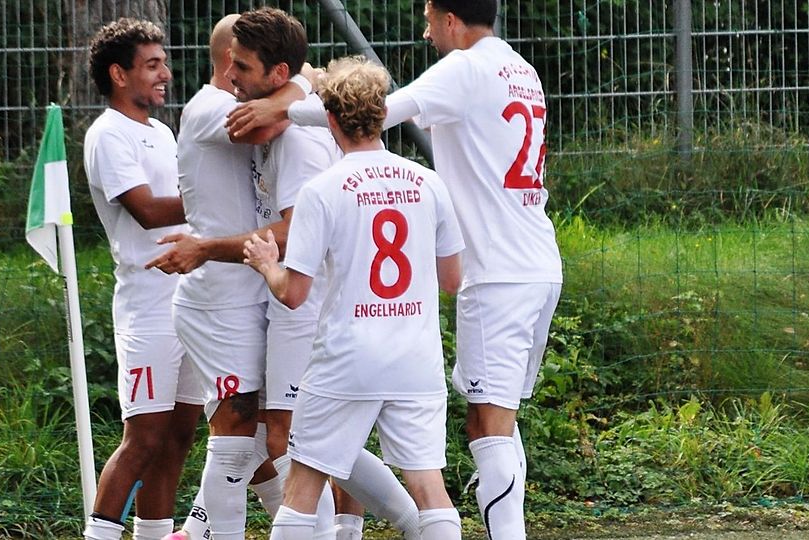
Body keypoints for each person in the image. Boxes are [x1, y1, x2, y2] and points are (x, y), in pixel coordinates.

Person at [227, 2, 564, 538]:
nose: (426, 31)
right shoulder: (519, 71)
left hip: (492, 273)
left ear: (451, 18)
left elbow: (383, 108)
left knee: (486, 430)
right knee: (487, 436)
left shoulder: (463, 68)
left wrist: (286, 108)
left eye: (429, 18)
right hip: (535, 264)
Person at [148, 8, 425, 540]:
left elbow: (294, 232)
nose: (233, 79)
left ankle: (406, 521)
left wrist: (206, 248)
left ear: (275, 75)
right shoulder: (286, 119)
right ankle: (395, 522)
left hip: (303, 302)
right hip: (310, 302)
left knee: (291, 439)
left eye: (244, 67)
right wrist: (299, 88)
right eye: (230, 65)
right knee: (291, 437)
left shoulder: (294, 139)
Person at [242, 56, 465, 540]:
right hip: (415, 356)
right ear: (383, 115)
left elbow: (294, 294)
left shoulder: (323, 189)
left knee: (304, 484)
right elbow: (453, 278)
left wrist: (265, 264)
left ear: (330, 120)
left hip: (347, 356)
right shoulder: (428, 183)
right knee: (430, 487)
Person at [157, 14, 292, 540]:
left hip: (250, 289)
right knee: (239, 428)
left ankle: (204, 528)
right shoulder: (211, 107)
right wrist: (302, 85)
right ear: (231, 61)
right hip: (218, 299)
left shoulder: (237, 101)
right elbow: (277, 122)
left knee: (267, 430)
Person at [81, 18, 204, 540]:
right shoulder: (107, 135)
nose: (165, 75)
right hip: (146, 307)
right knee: (144, 437)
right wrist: (211, 197)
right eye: (151, 65)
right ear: (118, 74)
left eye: (163, 63)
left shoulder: (161, 132)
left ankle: (155, 535)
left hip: (190, 300)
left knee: (179, 435)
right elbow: (149, 213)